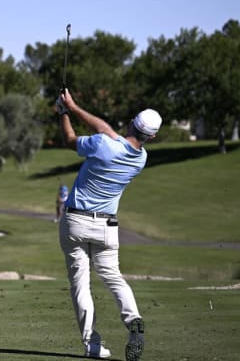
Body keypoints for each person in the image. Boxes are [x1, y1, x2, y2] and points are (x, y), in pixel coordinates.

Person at [55, 88, 161, 361]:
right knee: (113, 276)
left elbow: (69, 139)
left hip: (75, 222)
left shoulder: (102, 144)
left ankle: (92, 344)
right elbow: (108, 132)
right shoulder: (140, 159)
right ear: (152, 137)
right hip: (107, 228)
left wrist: (65, 112)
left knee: (81, 284)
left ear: (131, 123)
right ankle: (133, 319)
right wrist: (75, 108)